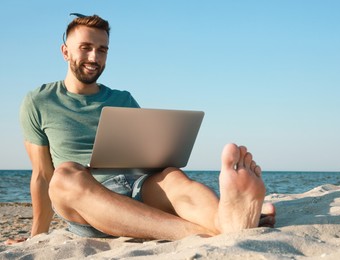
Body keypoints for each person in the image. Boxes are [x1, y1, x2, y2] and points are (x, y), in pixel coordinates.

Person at [9, 14, 275, 243]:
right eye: (86, 47)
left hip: (136, 189)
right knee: (65, 174)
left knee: (171, 175)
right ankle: (209, 230)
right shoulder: (39, 101)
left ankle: (225, 219)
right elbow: (43, 175)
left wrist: (163, 161)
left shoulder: (123, 99)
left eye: (102, 50)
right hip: (88, 205)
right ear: (65, 51)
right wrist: (36, 236)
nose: (94, 57)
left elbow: (145, 156)